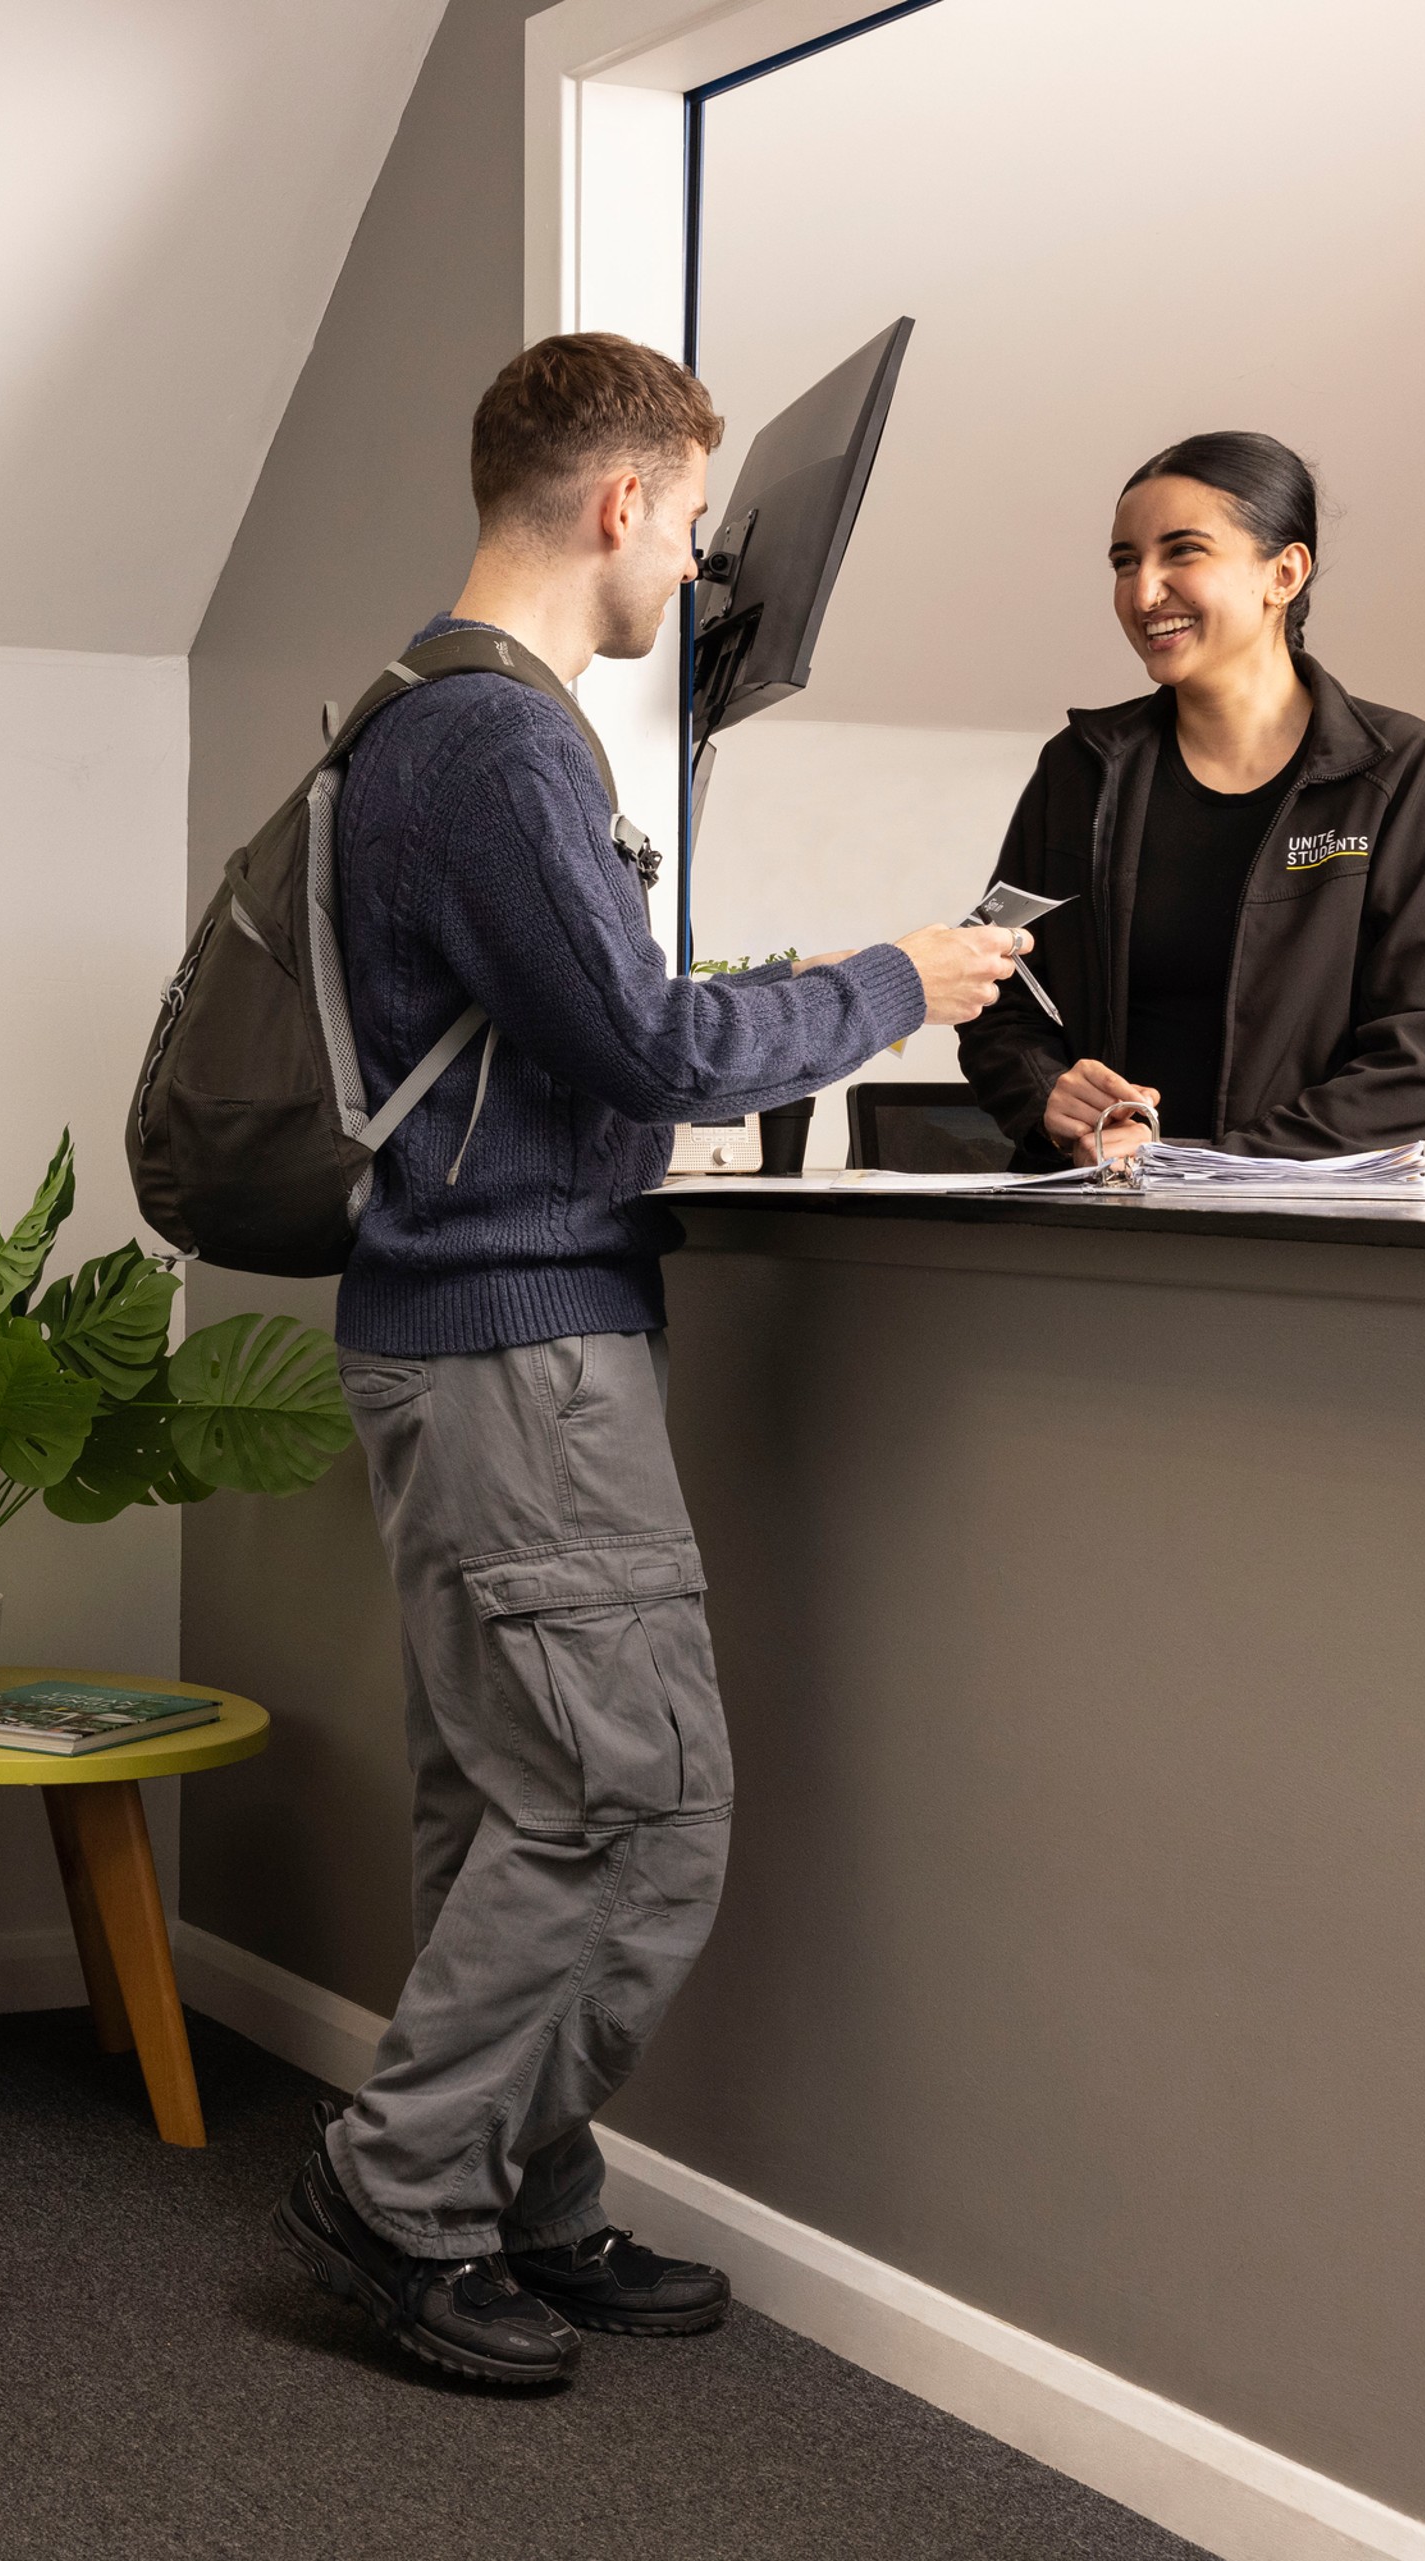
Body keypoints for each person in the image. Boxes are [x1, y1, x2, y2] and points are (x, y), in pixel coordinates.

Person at [275, 332, 1023, 2388]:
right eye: (694, 521)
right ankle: (402, 2181)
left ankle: (523, 2186)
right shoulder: (502, 747)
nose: (697, 564)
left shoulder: (422, 722)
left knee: (507, 1804)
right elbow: (657, 1050)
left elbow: (589, 1023)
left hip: (459, 1338)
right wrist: (896, 980)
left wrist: (775, 988)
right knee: (634, 1808)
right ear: (624, 501)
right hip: (517, 1351)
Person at [957, 433, 1425, 1168]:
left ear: (1285, 572)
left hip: (1298, 1238)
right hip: (1096, 1221)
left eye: (1182, 552)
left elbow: (1422, 1059)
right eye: (1125, 561)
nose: (1144, 592)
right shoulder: (1079, 769)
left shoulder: (1398, 772)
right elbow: (995, 984)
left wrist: (1213, 1171)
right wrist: (1048, 1095)